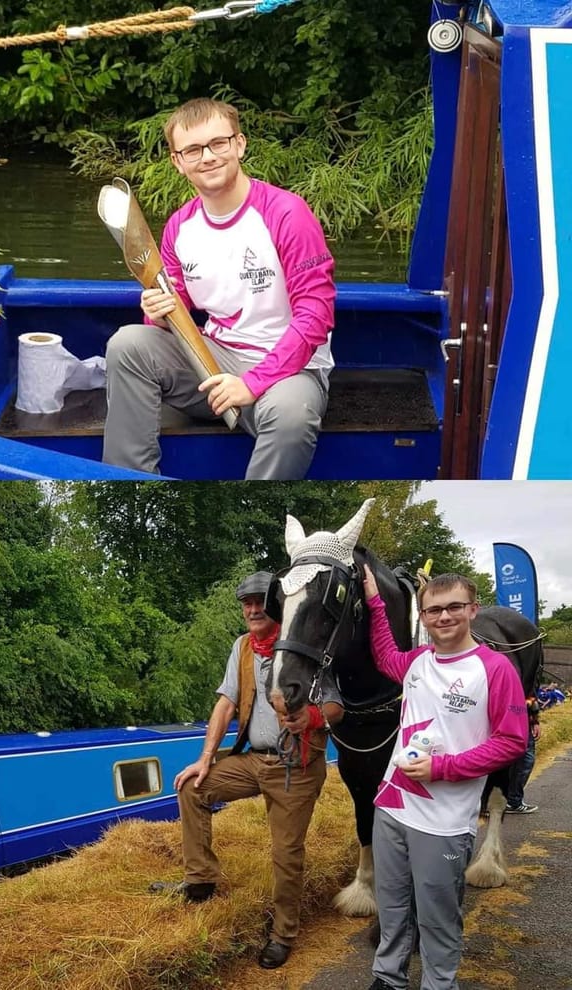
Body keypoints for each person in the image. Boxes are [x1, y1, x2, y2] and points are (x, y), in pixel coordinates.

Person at [103, 97, 336, 480]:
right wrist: (157, 310)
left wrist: (252, 384)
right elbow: (171, 314)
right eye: (193, 150)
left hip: (290, 371)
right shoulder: (180, 227)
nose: (207, 157)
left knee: (293, 415)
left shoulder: (287, 214)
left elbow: (316, 315)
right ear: (178, 162)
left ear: (239, 144)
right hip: (215, 359)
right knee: (128, 344)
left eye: (218, 143)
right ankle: (132, 480)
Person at [150, 571, 338, 969]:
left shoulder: (308, 643)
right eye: (246, 603)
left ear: (276, 605)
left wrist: (313, 718)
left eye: (260, 602)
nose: (252, 609)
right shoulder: (243, 647)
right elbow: (226, 702)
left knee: (286, 853)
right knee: (192, 788)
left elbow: (339, 706)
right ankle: (199, 881)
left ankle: (283, 933)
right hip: (254, 758)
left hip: (296, 766)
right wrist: (205, 758)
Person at [361, 569, 527, 990]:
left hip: (444, 820)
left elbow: (512, 743)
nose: (444, 617)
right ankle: (388, 978)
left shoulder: (495, 669)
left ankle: (439, 983)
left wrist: (442, 769)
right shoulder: (417, 661)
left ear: (473, 609)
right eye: (434, 610)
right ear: (423, 616)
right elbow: (384, 657)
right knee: (393, 906)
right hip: (393, 806)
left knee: (437, 916)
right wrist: (375, 603)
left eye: (454, 607)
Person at [505, 695, 540, 814]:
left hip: (514, 714)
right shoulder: (525, 676)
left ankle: (510, 799)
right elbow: (528, 694)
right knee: (525, 759)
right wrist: (534, 720)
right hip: (517, 716)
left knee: (516, 759)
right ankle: (513, 801)